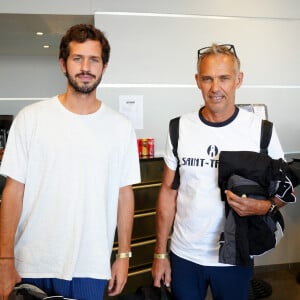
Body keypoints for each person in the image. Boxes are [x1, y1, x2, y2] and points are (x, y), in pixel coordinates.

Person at [0, 24, 140, 300]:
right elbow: (13, 192)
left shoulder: (120, 127)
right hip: (31, 262)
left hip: (90, 266)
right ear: (63, 64)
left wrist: (123, 255)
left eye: (94, 59)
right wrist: (4, 259)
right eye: (78, 58)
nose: (85, 67)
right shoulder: (31, 119)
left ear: (104, 66)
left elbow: (124, 194)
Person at [152, 44, 287, 300]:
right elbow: (168, 195)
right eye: (207, 79)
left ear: (239, 79)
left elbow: (284, 190)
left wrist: (263, 207)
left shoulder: (261, 131)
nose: (215, 88)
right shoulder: (178, 128)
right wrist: (160, 253)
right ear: (197, 81)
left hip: (235, 255)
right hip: (184, 256)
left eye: (224, 78)